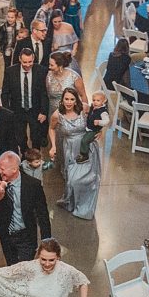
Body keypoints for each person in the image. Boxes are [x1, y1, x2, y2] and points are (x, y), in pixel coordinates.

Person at [0, 151, 51, 264]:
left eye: (2, 169)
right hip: (6, 236)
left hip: (26, 236)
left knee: (26, 268)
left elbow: (42, 214)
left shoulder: (33, 185)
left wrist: (46, 242)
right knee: (12, 267)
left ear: (14, 169)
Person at [47, 88, 99, 219]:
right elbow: (51, 129)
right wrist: (53, 146)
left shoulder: (85, 109)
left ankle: (85, 207)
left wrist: (100, 131)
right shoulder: (57, 115)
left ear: (76, 100)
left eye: (72, 99)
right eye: (66, 99)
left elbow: (100, 115)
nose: (69, 102)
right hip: (70, 148)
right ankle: (71, 202)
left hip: (86, 148)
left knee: (87, 178)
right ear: (62, 100)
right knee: (72, 179)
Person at [2, 48, 49, 149]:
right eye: (25, 62)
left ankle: (35, 154)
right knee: (20, 138)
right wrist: (8, 112)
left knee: (36, 137)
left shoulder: (41, 70)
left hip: (35, 110)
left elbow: (44, 93)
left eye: (30, 62)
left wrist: (43, 111)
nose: (28, 65)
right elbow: (5, 93)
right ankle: (24, 153)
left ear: (33, 59)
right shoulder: (10, 71)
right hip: (17, 111)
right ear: (20, 59)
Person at [77, 91, 109, 164]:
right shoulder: (93, 106)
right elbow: (90, 112)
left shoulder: (103, 112)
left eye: (98, 100)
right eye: (94, 100)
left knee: (84, 140)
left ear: (104, 101)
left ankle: (84, 155)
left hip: (94, 130)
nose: (95, 102)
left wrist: (99, 122)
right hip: (89, 127)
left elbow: (107, 121)